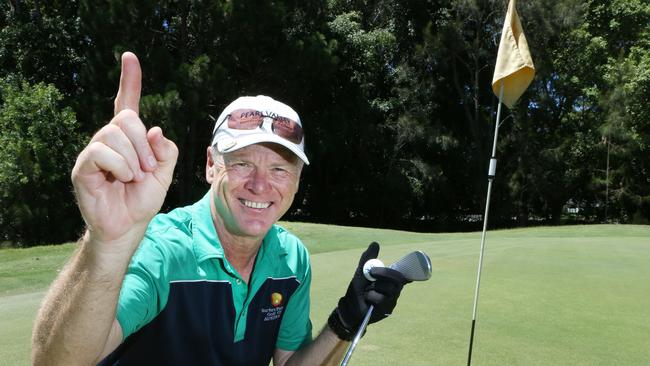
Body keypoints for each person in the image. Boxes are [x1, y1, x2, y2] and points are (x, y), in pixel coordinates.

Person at [32, 52, 409, 366]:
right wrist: (108, 243)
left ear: (297, 179)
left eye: (280, 169)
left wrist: (344, 322)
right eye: (243, 163)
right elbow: (57, 362)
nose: (261, 185)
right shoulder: (163, 249)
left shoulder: (292, 261)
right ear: (211, 165)